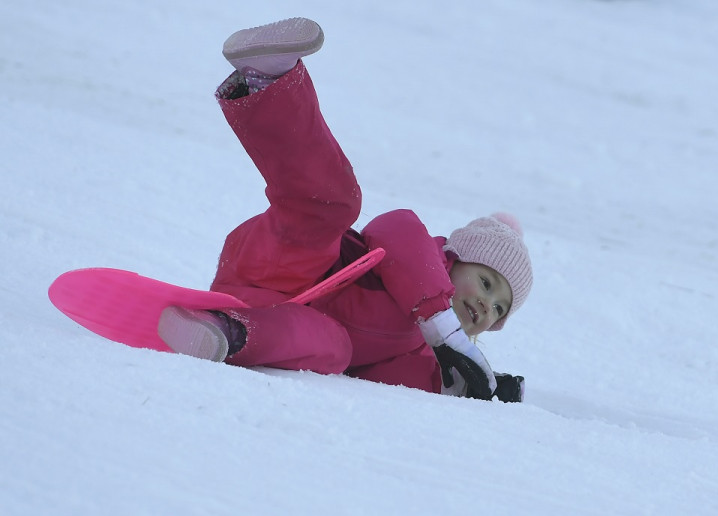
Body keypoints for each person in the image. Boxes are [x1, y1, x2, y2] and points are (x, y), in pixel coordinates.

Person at [157, 18, 533, 402]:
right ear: (455, 259)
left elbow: (389, 378)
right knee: (334, 205)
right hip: (287, 258)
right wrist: (440, 322)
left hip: (264, 310)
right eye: (487, 284)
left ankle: (220, 333)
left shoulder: (421, 346)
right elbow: (395, 226)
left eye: (500, 309)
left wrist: (457, 383)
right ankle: (265, 80)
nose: (487, 306)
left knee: (335, 350)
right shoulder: (425, 260)